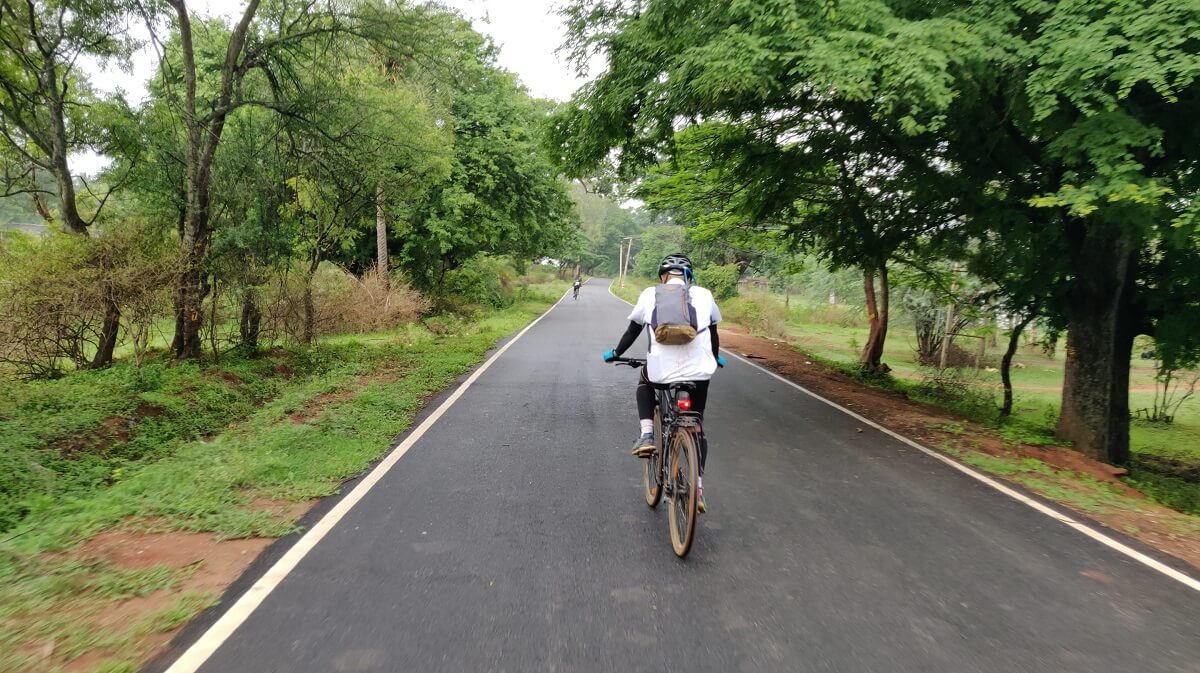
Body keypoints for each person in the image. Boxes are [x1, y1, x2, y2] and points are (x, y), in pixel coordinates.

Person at [603, 253, 725, 511]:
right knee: (696, 424)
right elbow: (713, 334)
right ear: (690, 277)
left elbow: (633, 330)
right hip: (699, 372)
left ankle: (647, 433)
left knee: (645, 380)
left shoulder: (650, 294)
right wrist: (715, 359)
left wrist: (617, 353)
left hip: (660, 370)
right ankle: (698, 487)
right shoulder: (704, 295)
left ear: (663, 276)